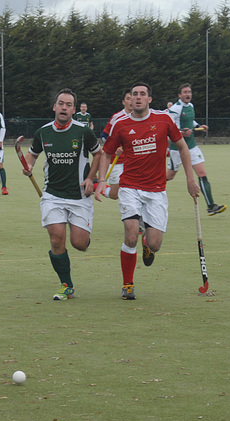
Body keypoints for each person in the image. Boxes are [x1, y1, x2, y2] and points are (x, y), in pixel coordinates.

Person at [95, 82, 201, 300]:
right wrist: (102, 180)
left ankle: (147, 245)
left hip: (156, 190)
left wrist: (190, 178)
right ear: (130, 99)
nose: (138, 97)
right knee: (131, 233)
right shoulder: (121, 124)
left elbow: (182, 146)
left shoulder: (163, 119)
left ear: (149, 99)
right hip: (130, 187)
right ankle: (127, 284)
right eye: (135, 94)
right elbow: (106, 153)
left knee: (155, 243)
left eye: (143, 94)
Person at [21, 88, 102, 300]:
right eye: (60, 103)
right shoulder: (43, 132)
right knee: (57, 238)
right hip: (52, 194)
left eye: (68, 105)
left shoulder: (83, 132)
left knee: (79, 243)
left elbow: (98, 154)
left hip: (79, 196)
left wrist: (91, 178)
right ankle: (66, 285)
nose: (64, 107)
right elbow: (31, 156)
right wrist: (27, 166)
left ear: (74, 109)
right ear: (54, 107)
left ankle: (84, 236)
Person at [167, 83, 226, 216]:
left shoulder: (191, 106)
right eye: (185, 92)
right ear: (179, 95)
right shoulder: (175, 109)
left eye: (189, 92)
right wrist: (181, 133)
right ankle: (149, 183)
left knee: (201, 173)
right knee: (169, 176)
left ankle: (211, 206)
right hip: (177, 148)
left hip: (191, 146)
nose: (188, 94)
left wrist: (199, 126)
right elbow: (170, 127)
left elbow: (191, 121)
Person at [99, 88, 132, 200]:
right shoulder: (117, 117)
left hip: (131, 161)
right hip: (116, 160)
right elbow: (104, 136)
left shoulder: (141, 118)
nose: (131, 101)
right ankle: (95, 186)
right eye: (128, 98)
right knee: (115, 195)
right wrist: (115, 147)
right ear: (124, 102)